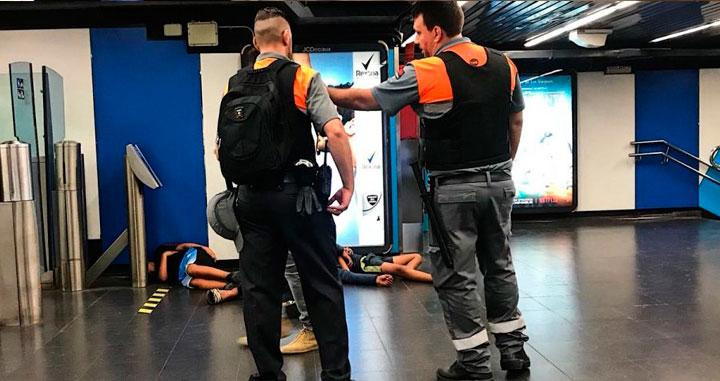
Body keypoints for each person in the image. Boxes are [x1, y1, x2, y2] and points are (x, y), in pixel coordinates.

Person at [327, 2, 529, 380]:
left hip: (454, 190)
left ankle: (474, 364)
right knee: (500, 265)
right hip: (500, 185)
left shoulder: (431, 70)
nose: (417, 41)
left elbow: (367, 99)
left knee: (456, 275)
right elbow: (515, 119)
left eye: (419, 32)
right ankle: (514, 353)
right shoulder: (505, 64)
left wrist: (322, 91)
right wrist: (504, 168)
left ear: (437, 32)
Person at [225, 7, 354, 381]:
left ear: (254, 43)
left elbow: (224, 147)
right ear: (287, 38)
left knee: (259, 290)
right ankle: (335, 375)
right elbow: (336, 133)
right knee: (322, 285)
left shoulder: (236, 83)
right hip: (299, 198)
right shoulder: (303, 78)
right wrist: (347, 185)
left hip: (250, 201)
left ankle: (268, 375)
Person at [149, 243, 240, 303]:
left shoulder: (159, 250)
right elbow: (163, 278)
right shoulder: (156, 275)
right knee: (195, 282)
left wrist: (203, 247)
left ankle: (230, 276)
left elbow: (183, 246)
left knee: (191, 269)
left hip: (188, 257)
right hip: (182, 276)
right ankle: (228, 286)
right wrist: (164, 255)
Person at [337, 246, 432, 284]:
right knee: (401, 269)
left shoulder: (335, 250)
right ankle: (433, 278)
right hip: (367, 264)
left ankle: (407, 274)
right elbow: (347, 273)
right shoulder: (335, 256)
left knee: (417, 256)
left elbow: (347, 271)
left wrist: (345, 250)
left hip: (371, 258)